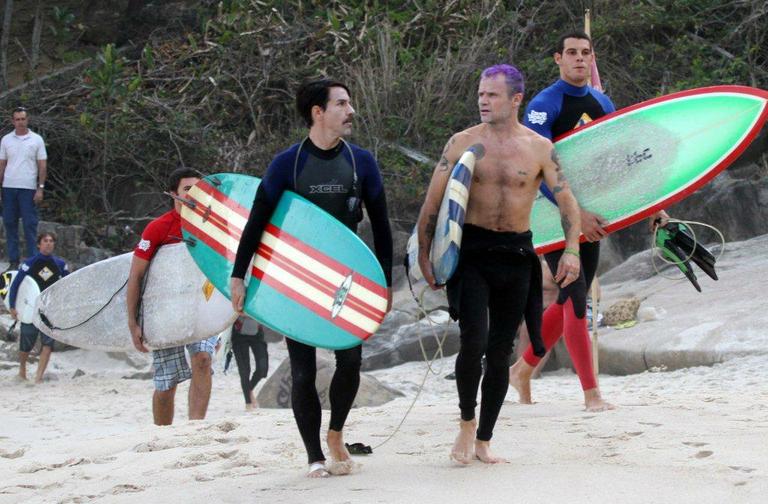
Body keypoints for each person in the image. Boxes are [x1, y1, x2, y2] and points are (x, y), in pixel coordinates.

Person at [416, 64, 583, 465]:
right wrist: (425, 256)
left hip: (515, 256)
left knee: (502, 348)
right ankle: (465, 423)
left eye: (492, 95)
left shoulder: (539, 148)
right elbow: (434, 203)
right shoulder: (461, 143)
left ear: (516, 99)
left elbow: (567, 203)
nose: (483, 101)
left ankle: (485, 439)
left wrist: (573, 250)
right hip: (471, 252)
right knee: (473, 340)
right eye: (481, 94)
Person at [230, 79, 393, 478]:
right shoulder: (289, 163)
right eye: (341, 103)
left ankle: (336, 431)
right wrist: (239, 273)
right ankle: (314, 456)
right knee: (302, 370)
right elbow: (258, 220)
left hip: (347, 281)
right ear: (318, 112)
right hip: (297, 278)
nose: (350, 110)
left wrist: (384, 285)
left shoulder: (361, 162)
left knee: (350, 361)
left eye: (350, 102)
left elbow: (383, 229)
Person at [509, 31, 668, 411]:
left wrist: (651, 205)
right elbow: (538, 169)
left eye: (586, 53)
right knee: (578, 297)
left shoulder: (602, 101)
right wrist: (574, 215)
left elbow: (621, 162)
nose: (580, 59)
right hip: (552, 216)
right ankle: (591, 394)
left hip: (591, 214)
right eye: (572, 53)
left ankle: (522, 368)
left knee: (567, 298)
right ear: (557, 59)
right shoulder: (543, 106)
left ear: (591, 58)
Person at [128, 167, 219, 426]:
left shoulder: (212, 226)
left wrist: (224, 319)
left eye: (200, 190)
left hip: (202, 306)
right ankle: (162, 433)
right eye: (188, 189)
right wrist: (133, 323)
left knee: (203, 359)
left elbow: (223, 272)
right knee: (167, 383)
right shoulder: (158, 228)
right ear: (173, 194)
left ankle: (194, 427)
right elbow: (135, 277)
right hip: (164, 312)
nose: (194, 195)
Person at [9, 231, 68, 383]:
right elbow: (15, 285)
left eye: (51, 241)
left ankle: (38, 377)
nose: (48, 243)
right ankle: (22, 370)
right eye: (45, 240)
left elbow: (68, 287)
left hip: (50, 309)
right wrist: (12, 306)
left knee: (48, 342)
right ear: (39, 244)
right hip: (31, 308)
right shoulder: (29, 263)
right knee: (26, 343)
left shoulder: (60, 265)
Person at [0, 107, 48, 270]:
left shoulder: (36, 140)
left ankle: (33, 260)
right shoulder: (6, 140)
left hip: (28, 188)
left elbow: (42, 165)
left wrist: (40, 187)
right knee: (9, 223)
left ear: (27, 120)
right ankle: (13, 261)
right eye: (17, 119)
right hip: (9, 187)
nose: (20, 122)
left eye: (23, 119)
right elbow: (2, 164)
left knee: (29, 224)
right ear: (13, 121)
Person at [228, 315, 268, 410]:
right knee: (244, 371)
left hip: (257, 333)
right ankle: (248, 403)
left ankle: (248, 390)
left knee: (263, 369)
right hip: (239, 334)